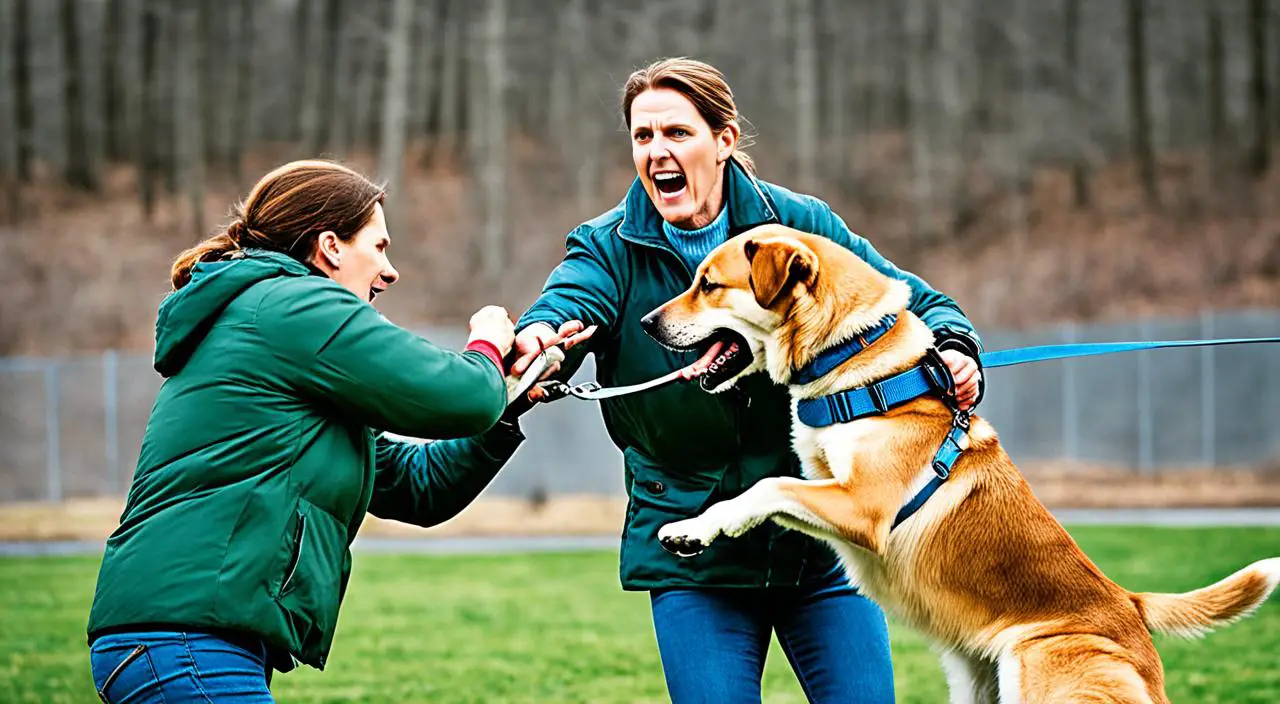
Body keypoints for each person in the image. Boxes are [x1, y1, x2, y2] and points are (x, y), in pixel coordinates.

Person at [510, 58, 985, 703]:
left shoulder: (799, 227)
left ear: (723, 140)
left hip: (818, 548)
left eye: (677, 132)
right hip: (692, 551)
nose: (657, 151)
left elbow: (917, 301)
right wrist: (540, 336)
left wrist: (955, 346)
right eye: (643, 136)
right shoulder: (606, 248)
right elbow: (570, 302)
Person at [85, 159, 588, 703]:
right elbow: (463, 396)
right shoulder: (291, 305)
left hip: (180, 639)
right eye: (379, 247)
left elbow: (419, 488)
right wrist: (488, 343)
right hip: (185, 640)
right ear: (330, 247)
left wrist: (508, 402)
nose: (390, 272)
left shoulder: (285, 338)